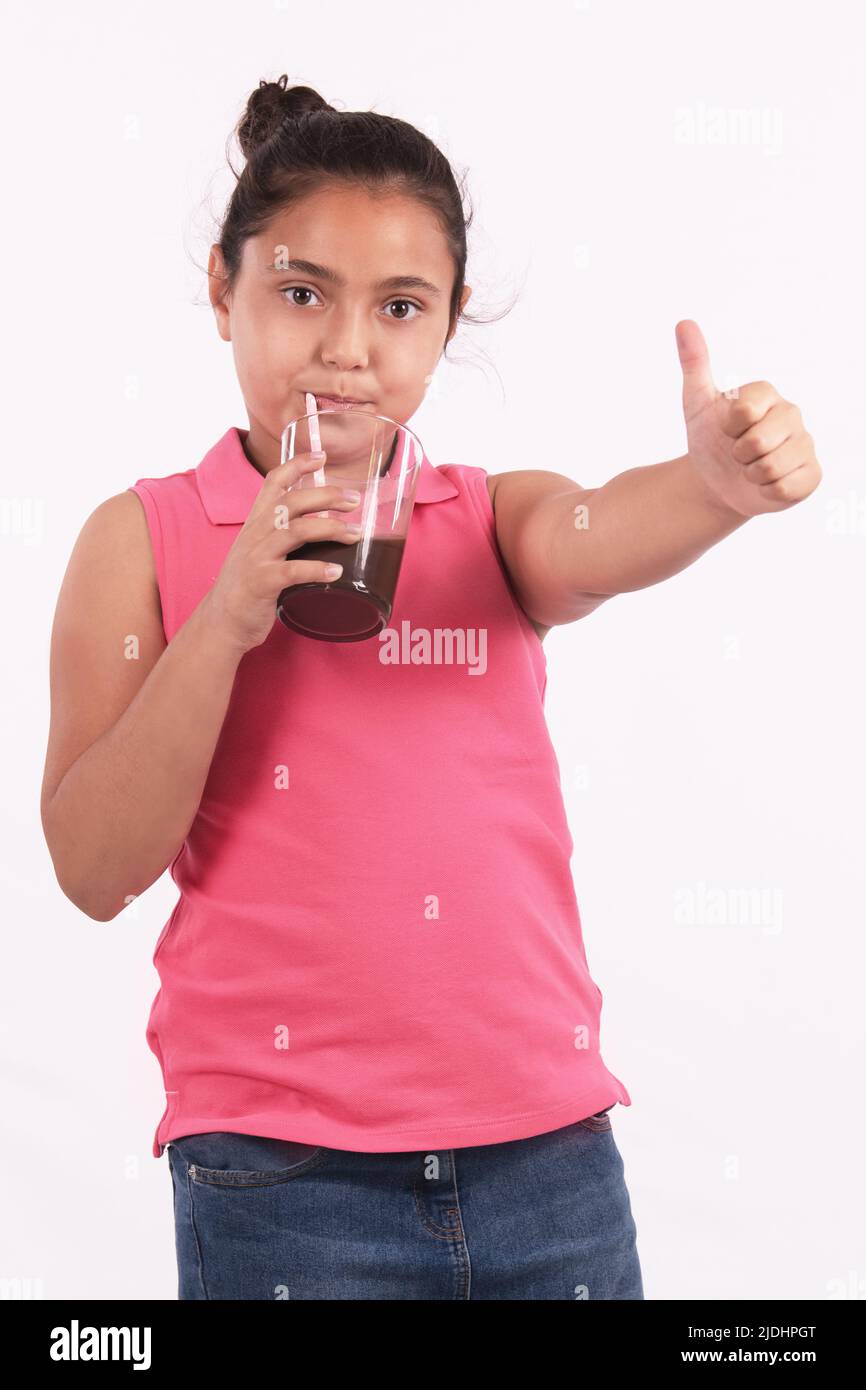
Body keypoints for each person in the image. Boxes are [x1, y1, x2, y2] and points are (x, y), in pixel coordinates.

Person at [40, 77, 821, 1301]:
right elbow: (92, 869)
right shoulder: (142, 542)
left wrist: (712, 484)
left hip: (547, 1163)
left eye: (399, 307)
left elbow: (597, 527)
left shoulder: (486, 518)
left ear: (445, 324)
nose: (347, 351)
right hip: (281, 1179)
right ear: (219, 289)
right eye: (300, 293)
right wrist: (232, 611)